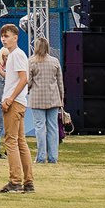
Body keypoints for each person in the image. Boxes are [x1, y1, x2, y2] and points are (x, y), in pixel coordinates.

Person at [0, 24, 33, 193]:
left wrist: (10, 99)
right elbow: (14, 78)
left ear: (15, 37)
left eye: (7, 36)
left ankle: (15, 181)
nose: (4, 39)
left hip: (14, 102)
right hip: (19, 101)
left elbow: (24, 79)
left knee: (11, 141)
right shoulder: (15, 55)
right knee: (20, 142)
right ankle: (28, 182)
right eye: (2, 36)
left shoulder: (16, 55)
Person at [25, 36, 65, 168]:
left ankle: (41, 157)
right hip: (53, 98)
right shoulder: (54, 61)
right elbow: (60, 82)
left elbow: (28, 82)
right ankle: (53, 157)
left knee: (40, 128)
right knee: (53, 128)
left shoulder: (31, 62)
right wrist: (62, 98)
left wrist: (29, 89)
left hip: (37, 99)